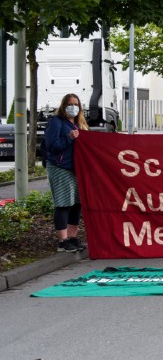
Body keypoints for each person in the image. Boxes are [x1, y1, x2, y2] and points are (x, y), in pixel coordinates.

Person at [45, 93, 88, 252]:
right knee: (63, 204)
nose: (73, 107)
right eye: (70, 104)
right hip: (60, 168)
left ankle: (72, 238)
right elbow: (51, 146)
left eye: (76, 104)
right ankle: (63, 241)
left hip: (75, 169)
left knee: (76, 204)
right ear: (64, 105)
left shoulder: (78, 124)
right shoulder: (56, 122)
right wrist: (69, 137)